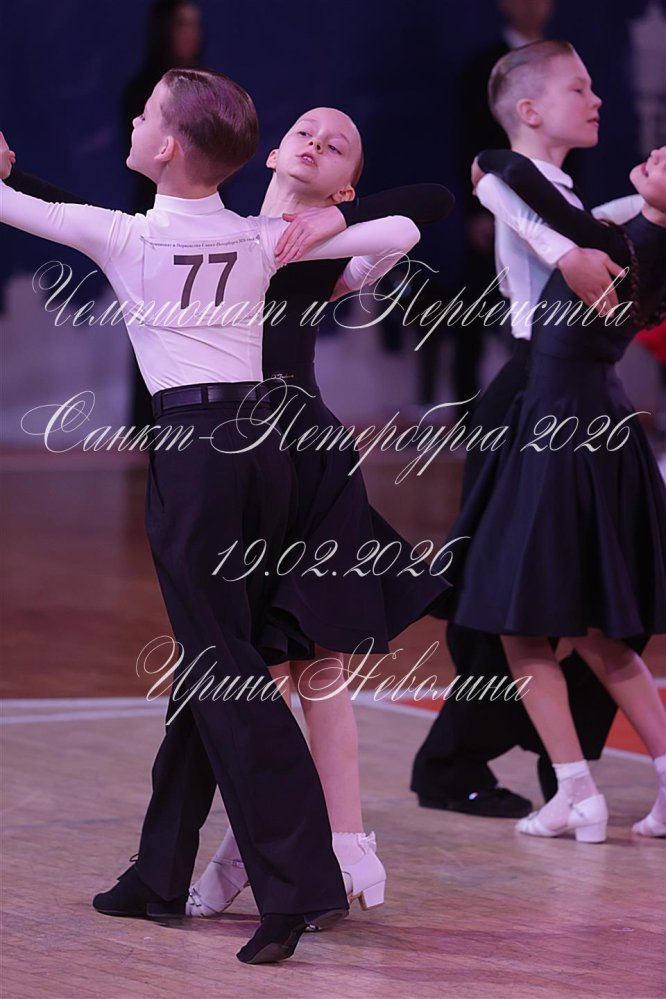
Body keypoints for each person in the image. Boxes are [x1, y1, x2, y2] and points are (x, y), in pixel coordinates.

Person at [0, 69, 423, 964]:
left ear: (164, 148)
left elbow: (37, 210)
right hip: (266, 458)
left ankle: (300, 880)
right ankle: (159, 873)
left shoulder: (125, 233)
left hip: (197, 459)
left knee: (228, 668)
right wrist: (328, 224)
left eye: (145, 112)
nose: (131, 117)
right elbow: (403, 226)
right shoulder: (257, 235)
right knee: (213, 665)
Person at [411, 40, 638, 818]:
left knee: (585, 594)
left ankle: (556, 766)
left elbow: (585, 223)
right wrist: (567, 250)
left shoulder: (558, 188)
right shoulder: (514, 173)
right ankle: (486, 763)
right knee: (511, 597)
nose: (597, 99)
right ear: (532, 109)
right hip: (528, 396)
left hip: (567, 393)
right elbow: (494, 177)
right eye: (580, 87)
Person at [447, 143, 666, 841]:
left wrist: (489, 160)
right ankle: (598, 788)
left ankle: (577, 792)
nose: (657, 150)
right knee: (583, 628)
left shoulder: (611, 245)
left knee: (522, 617)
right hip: (589, 420)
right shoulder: (635, 240)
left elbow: (509, 175)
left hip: (560, 429)